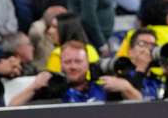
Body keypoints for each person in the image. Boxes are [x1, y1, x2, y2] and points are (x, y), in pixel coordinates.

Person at [10, 41, 140, 105]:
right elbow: (11, 107)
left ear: (87, 63)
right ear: (61, 64)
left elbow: (141, 106)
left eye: (78, 61)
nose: (73, 66)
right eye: (68, 62)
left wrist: (126, 87)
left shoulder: (105, 87)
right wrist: (33, 87)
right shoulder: (52, 89)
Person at [122, 27, 168, 99]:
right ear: (130, 51)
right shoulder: (121, 79)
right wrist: (140, 69)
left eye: (152, 45)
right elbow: (130, 103)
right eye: (142, 44)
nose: (148, 49)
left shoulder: (157, 81)